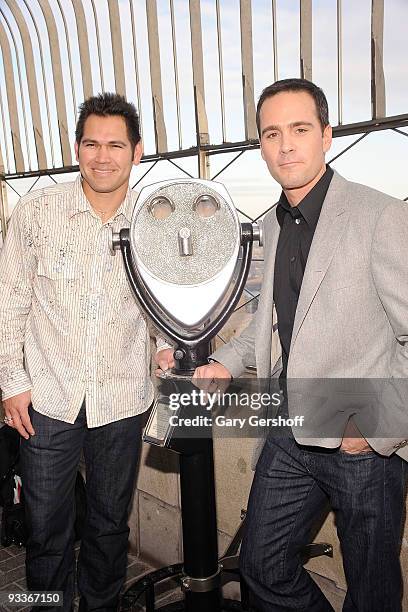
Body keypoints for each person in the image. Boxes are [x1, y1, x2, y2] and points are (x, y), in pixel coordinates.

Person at [193, 79, 408, 611]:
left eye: (300, 129)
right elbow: (265, 319)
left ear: (327, 135)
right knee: (262, 565)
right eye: (271, 133)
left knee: (372, 589)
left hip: (362, 440)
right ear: (261, 145)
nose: (285, 145)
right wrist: (225, 359)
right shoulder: (271, 223)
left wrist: (376, 422)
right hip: (289, 425)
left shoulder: (379, 215)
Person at [0, 92, 173, 612]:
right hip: (46, 401)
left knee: (107, 524)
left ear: (136, 152)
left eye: (115, 145)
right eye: (92, 144)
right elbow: (10, 300)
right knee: (45, 528)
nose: (103, 156)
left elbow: (167, 298)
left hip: (122, 399)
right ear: (77, 148)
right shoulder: (37, 213)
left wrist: (168, 351)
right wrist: (12, 382)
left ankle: (101, 605)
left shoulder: (155, 220)